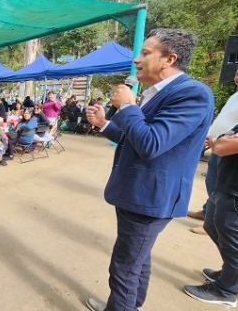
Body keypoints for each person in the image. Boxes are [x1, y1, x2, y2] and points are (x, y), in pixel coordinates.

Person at [83, 28, 214, 311]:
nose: (137, 61)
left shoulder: (193, 94)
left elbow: (151, 143)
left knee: (124, 267)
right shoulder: (158, 94)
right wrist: (105, 123)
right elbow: (136, 139)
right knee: (136, 259)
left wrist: (129, 107)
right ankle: (131, 303)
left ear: (169, 59)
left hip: (150, 200)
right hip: (138, 195)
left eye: (145, 53)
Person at [183, 123, 238, 307]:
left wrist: (218, 140)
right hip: (226, 185)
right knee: (212, 226)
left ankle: (226, 291)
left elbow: (222, 146)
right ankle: (230, 275)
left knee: (233, 242)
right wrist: (222, 139)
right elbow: (226, 138)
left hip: (235, 194)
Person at [187, 68, 238, 235]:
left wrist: (222, 141)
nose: (236, 76)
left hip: (229, 151)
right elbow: (224, 119)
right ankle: (207, 212)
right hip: (216, 146)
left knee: (222, 188)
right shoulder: (235, 96)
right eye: (236, 73)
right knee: (212, 183)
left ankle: (214, 222)